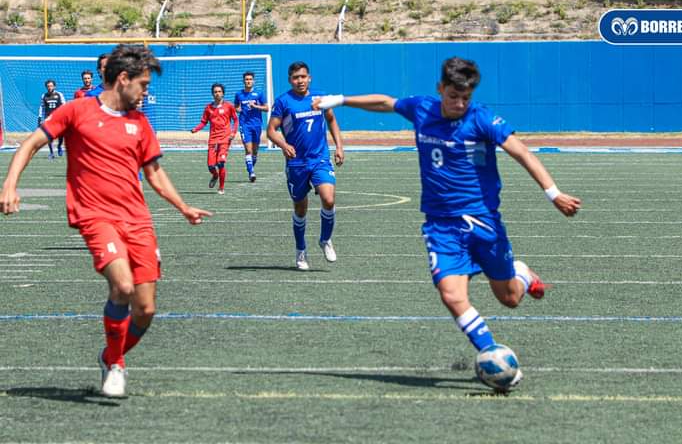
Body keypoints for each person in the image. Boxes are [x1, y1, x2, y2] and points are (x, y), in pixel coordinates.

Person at [313, 57, 581, 388]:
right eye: (453, 96)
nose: (459, 104)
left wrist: (553, 193)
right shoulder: (422, 109)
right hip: (441, 227)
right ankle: (490, 353)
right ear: (441, 88)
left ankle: (522, 274)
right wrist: (339, 100)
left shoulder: (481, 118)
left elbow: (522, 153)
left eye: (465, 97)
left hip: (484, 224)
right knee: (451, 295)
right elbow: (385, 102)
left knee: (510, 298)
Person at [1, 44, 212, 398]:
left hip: (137, 220)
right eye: (143, 84)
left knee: (145, 309)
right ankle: (117, 365)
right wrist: (9, 185)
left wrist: (183, 206)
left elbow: (154, 173)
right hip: (95, 217)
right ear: (123, 79)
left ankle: (110, 356)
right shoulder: (76, 111)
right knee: (123, 287)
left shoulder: (140, 123)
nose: (146, 92)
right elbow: (30, 144)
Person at [267, 61, 344, 270]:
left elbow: (332, 120)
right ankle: (301, 251)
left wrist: (339, 146)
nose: (300, 81)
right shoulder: (283, 102)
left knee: (329, 199)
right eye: (295, 77)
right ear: (290, 80)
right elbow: (271, 130)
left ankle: (325, 239)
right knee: (300, 210)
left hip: (319, 159)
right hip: (297, 164)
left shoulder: (319, 98)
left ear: (309, 77)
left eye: (303, 77)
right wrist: (283, 144)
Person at [191, 83, 238, 195]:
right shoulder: (208, 108)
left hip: (225, 138)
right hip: (213, 139)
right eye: (215, 92)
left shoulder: (229, 106)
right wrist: (196, 129)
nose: (217, 93)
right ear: (212, 94)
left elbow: (235, 120)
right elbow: (203, 122)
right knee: (211, 166)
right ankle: (215, 175)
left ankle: (221, 188)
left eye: (219, 91)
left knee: (221, 162)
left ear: (223, 93)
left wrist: (233, 133)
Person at [233, 71, 269, 182]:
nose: (248, 81)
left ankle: (250, 166)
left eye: (250, 79)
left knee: (255, 151)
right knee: (248, 150)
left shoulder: (259, 94)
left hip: (257, 124)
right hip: (245, 125)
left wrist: (255, 106)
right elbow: (236, 107)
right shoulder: (239, 94)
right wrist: (238, 110)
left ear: (253, 81)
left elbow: (267, 108)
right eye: (246, 79)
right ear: (243, 81)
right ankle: (251, 173)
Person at [38, 79, 66, 158]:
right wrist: (40, 117)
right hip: (48, 119)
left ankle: (59, 146)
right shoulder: (44, 96)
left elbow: (64, 105)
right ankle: (51, 153)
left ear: (54, 86)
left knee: (61, 135)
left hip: (58, 118)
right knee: (48, 136)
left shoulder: (59, 95)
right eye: (48, 86)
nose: (49, 87)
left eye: (51, 86)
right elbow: (42, 107)